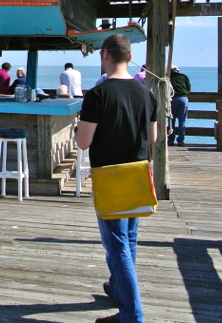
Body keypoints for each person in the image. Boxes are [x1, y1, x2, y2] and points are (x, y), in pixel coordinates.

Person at [76, 34, 157, 323]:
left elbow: (83, 142)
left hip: (110, 175)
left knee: (117, 247)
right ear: (130, 57)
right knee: (130, 239)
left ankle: (132, 315)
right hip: (138, 172)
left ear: (105, 56)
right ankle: (120, 294)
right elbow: (154, 136)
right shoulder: (146, 93)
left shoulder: (97, 95)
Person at [168, 66, 191, 147]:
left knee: (171, 119)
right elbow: (188, 90)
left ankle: (171, 140)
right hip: (183, 98)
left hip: (173, 98)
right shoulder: (184, 77)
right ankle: (181, 141)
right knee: (182, 120)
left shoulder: (168, 77)